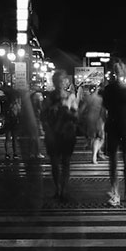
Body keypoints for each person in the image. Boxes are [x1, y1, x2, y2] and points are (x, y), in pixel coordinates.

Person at [102, 60, 126, 206]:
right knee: (114, 161)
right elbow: (106, 107)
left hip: (124, 125)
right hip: (115, 125)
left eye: (120, 70)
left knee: (125, 161)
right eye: (116, 70)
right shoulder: (110, 89)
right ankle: (115, 191)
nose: (118, 73)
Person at [42, 70, 79, 201]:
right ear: (54, 82)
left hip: (67, 133)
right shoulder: (49, 97)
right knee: (55, 163)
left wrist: (67, 111)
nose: (60, 83)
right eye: (57, 81)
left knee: (66, 162)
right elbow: (43, 116)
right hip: (53, 134)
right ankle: (58, 188)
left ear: (65, 82)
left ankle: (63, 188)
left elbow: (76, 116)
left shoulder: (71, 97)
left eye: (62, 81)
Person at [79, 85, 106, 164]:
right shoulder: (100, 99)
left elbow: (81, 110)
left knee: (93, 138)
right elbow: (103, 111)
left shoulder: (87, 98)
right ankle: (95, 155)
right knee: (100, 138)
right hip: (98, 119)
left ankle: (94, 155)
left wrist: (80, 118)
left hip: (89, 119)